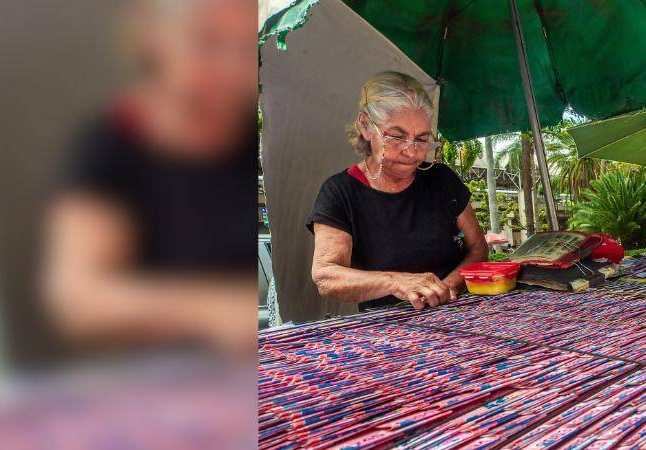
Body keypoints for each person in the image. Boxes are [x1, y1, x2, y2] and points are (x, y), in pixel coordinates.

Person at [44, 0, 256, 356]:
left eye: (246, 48)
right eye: (209, 40)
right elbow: (77, 297)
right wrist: (213, 309)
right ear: (155, 38)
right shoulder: (113, 143)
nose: (233, 66)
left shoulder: (249, 136)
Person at [308, 71, 487, 311]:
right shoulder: (340, 192)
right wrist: (396, 282)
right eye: (396, 136)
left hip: (455, 309)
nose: (411, 152)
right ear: (365, 126)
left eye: (421, 139)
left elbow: (478, 247)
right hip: (388, 325)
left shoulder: (441, 180)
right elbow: (326, 275)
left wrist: (446, 287)